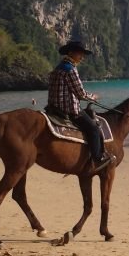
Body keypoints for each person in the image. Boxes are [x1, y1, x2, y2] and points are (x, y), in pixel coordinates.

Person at [46, 40, 113, 171]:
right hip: (68, 109)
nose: (82, 57)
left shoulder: (58, 67)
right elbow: (80, 93)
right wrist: (94, 97)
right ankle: (97, 158)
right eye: (80, 54)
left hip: (53, 107)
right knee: (94, 128)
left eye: (83, 54)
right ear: (71, 53)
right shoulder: (70, 69)